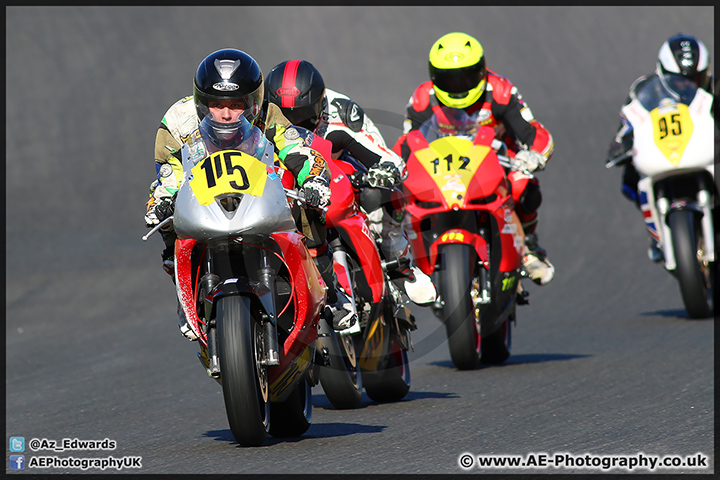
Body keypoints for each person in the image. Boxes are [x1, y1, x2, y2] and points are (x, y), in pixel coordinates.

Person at [144, 48, 357, 340]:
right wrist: (161, 201)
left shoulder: (269, 113)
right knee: (167, 223)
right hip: (203, 194)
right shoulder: (178, 121)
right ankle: (185, 298)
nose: (227, 113)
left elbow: (295, 148)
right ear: (201, 101)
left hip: (258, 190)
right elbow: (170, 172)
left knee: (310, 206)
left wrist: (315, 178)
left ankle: (331, 292)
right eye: (217, 104)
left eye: (237, 104)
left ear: (253, 102)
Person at [264, 59, 437, 306]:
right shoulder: (260, 117)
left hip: (339, 174)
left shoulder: (341, 113)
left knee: (381, 193)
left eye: (303, 115)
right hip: (290, 185)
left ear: (319, 105)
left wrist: (385, 170)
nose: (294, 124)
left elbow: (383, 153)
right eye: (285, 115)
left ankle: (400, 264)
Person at [393, 32, 555, 286]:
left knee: (525, 185)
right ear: (434, 77)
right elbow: (408, 142)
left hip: (497, 160)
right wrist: (392, 164)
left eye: (466, 76)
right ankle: (415, 257)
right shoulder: (423, 98)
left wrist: (535, 154)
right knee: (404, 193)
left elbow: (531, 130)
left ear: (481, 71)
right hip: (442, 166)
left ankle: (529, 247)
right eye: (449, 79)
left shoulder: (500, 90)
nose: (458, 85)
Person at [605, 33, 712, 261]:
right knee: (629, 179)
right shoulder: (645, 88)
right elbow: (628, 120)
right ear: (663, 72)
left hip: (705, 150)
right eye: (680, 79)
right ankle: (655, 231)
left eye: (695, 78)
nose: (688, 84)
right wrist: (620, 143)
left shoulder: (714, 88)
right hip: (663, 153)